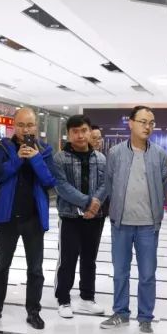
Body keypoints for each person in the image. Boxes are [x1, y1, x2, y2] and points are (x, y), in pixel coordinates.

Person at [0, 107, 56, 330]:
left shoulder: (45, 150)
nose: (26, 130)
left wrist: (35, 159)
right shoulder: (3, 148)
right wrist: (17, 159)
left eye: (30, 125)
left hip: (33, 218)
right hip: (7, 218)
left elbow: (50, 181)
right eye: (21, 125)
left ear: (36, 126)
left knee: (35, 268)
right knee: (1, 265)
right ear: (14, 126)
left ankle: (33, 311)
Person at [100, 106, 167, 334]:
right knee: (120, 272)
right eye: (143, 121)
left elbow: (164, 185)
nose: (147, 126)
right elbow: (109, 183)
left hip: (149, 225)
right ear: (130, 123)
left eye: (151, 122)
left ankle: (145, 318)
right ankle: (120, 312)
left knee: (147, 273)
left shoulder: (159, 154)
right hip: (121, 223)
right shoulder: (115, 153)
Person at [52, 115, 107, 318]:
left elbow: (105, 184)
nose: (80, 135)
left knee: (89, 259)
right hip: (70, 217)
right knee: (67, 259)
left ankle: (87, 298)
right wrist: (88, 202)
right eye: (75, 131)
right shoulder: (59, 158)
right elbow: (61, 186)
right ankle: (63, 300)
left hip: (95, 217)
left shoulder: (100, 158)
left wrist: (95, 205)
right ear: (68, 134)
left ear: (89, 131)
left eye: (84, 130)